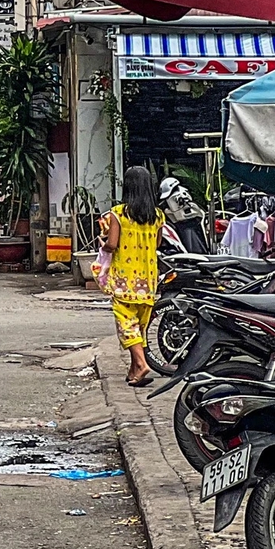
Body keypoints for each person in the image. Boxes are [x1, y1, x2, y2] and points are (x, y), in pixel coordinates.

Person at [100, 165, 164, 387]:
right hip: (148, 279)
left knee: (127, 325)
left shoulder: (118, 214)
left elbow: (112, 244)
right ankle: (134, 371)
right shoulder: (157, 216)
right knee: (140, 326)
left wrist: (103, 245)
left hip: (124, 280)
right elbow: (157, 244)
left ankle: (141, 363)